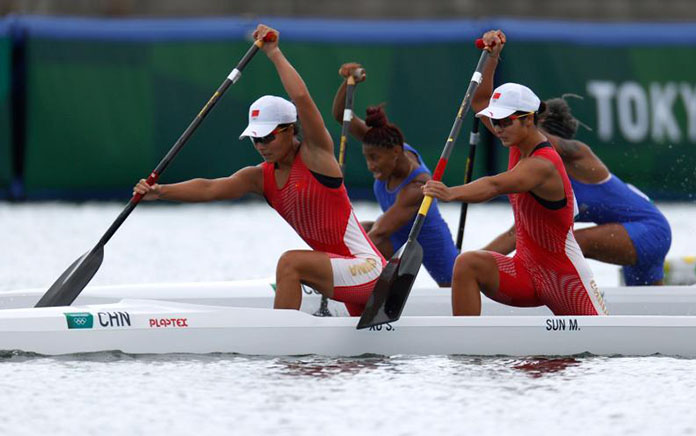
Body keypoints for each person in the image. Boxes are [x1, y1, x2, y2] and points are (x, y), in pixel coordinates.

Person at [133, 24, 385, 315]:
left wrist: (274, 53)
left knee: (290, 263)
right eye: (255, 138)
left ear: (290, 131)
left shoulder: (316, 155)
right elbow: (211, 187)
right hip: (341, 273)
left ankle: (281, 339)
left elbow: (302, 99)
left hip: (367, 270)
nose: (261, 145)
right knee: (357, 363)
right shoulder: (259, 177)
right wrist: (160, 191)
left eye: (267, 136)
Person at [422, 30, 607, 316]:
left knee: (597, 353)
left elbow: (495, 184)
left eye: (505, 122)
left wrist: (450, 193)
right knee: (466, 264)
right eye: (495, 122)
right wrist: (492, 57)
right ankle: (466, 349)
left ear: (529, 119)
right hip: (524, 272)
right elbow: (480, 102)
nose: (498, 129)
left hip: (564, 279)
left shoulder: (543, 164)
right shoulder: (515, 139)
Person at [485, 96, 672, 286]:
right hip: (627, 234)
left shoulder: (578, 155)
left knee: (566, 245)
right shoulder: (544, 177)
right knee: (648, 310)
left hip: (650, 231)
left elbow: (529, 135)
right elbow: (515, 236)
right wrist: (469, 263)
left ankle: (562, 298)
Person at [330, 64, 458, 286]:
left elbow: (380, 232)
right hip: (395, 237)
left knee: (452, 282)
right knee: (349, 232)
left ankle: (339, 282)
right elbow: (343, 116)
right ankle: (334, 282)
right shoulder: (380, 142)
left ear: (397, 153)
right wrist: (348, 82)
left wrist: (345, 266)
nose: (370, 165)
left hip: (428, 242)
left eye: (375, 159)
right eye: (368, 158)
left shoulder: (417, 186)